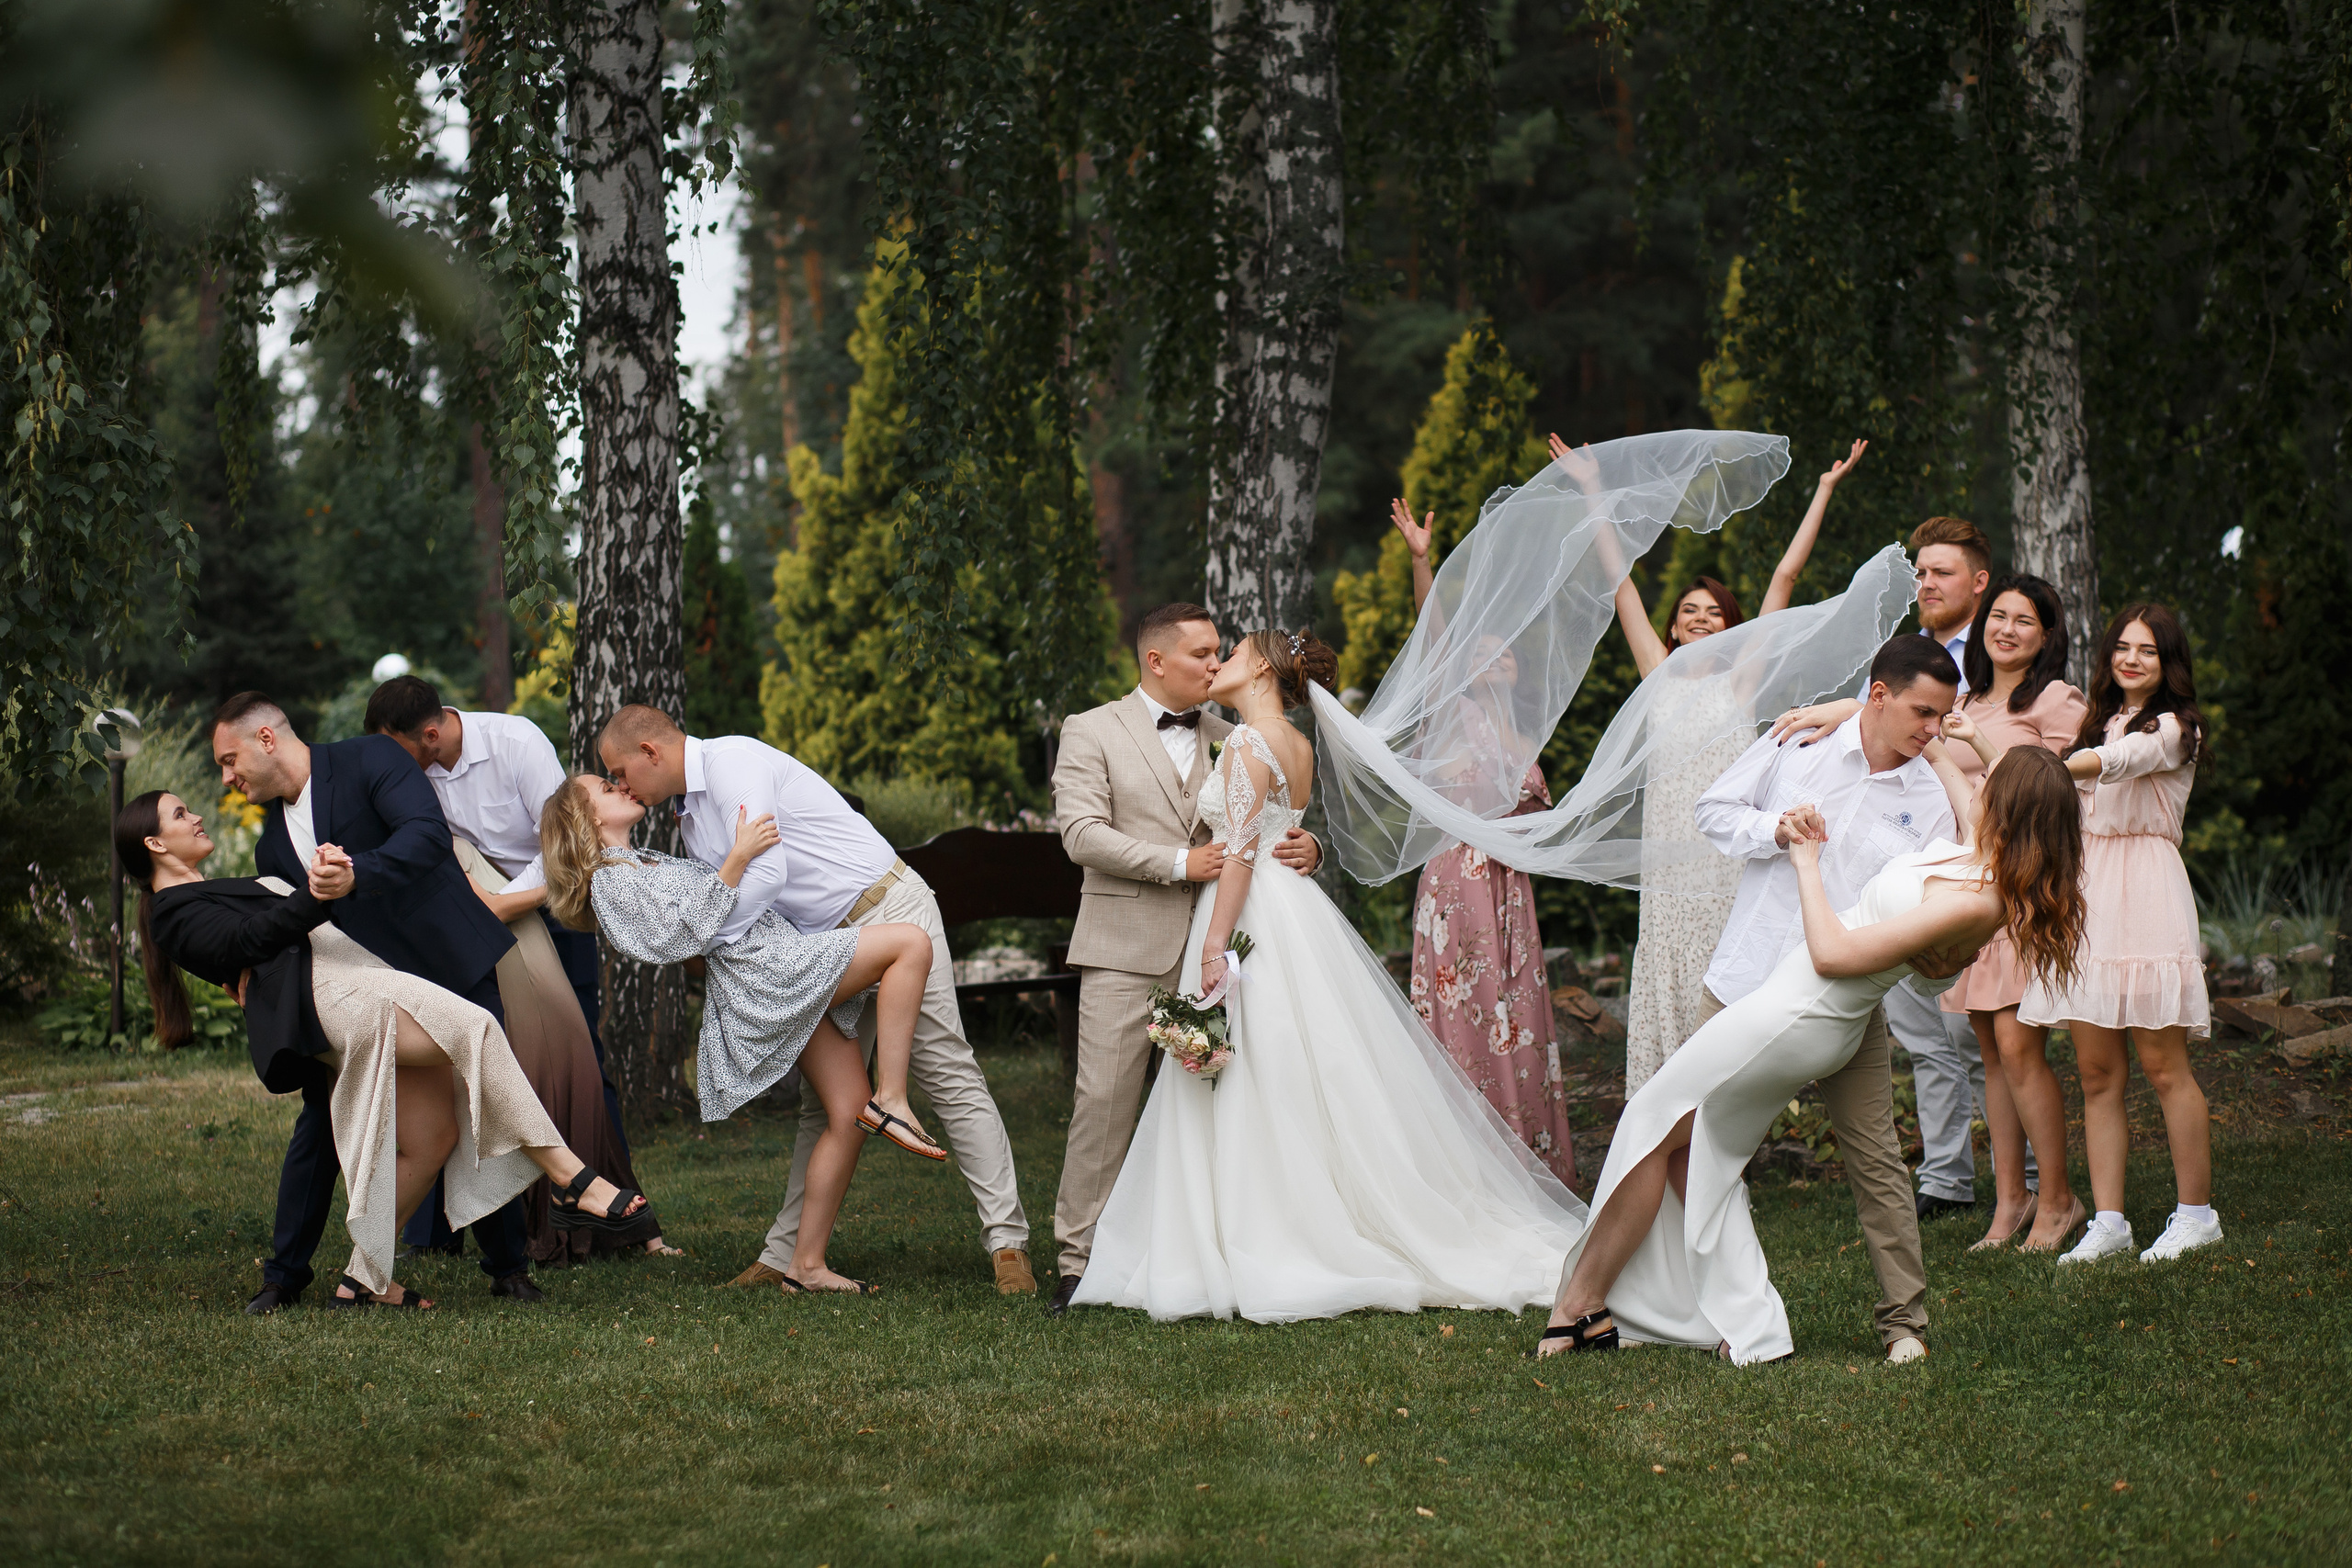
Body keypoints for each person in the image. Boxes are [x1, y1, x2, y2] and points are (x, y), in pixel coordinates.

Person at [1069, 631, 1589, 1323]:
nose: (1219, 661)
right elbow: (1279, 822)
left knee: (1249, 1071)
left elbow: (1245, 853)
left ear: (1260, 666)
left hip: (1245, 911)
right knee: (1293, 1066)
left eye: (1233, 650)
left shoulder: (1250, 744)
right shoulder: (1296, 744)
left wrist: (1216, 944)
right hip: (1292, 915)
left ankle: (1258, 1230)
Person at [1536, 741, 2084, 1364]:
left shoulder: (1977, 901)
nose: (1977, 790)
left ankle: (1581, 1304)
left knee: (1654, 1120)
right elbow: (1955, 775)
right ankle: (1745, 1325)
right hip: (1796, 1003)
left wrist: (1806, 861)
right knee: (1697, 1148)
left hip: (1803, 1013)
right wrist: (1863, 720)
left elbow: (1833, 954)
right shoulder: (1976, 856)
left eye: (1994, 786)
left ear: (2010, 811)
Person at [127, 791, 651, 1309]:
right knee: (478, 1029)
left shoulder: (209, 892)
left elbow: (253, 944)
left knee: (432, 1138)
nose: (195, 816)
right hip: (341, 997)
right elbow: (248, 940)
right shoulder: (171, 911)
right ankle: (571, 1180)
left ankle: (363, 1280)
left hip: (359, 980)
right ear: (154, 843)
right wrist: (317, 892)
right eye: (179, 814)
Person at [591, 707, 1038, 1295]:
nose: (623, 785)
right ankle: (785, 1257)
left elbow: (768, 874)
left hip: (885, 909)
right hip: (819, 947)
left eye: (620, 771)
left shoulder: (733, 765)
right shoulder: (689, 817)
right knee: (823, 1107)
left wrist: (717, 938)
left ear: (651, 751)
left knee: (949, 1074)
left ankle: (1008, 1246)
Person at [1546, 434, 1868, 1096]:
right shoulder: (1656, 674)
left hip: (1726, 853)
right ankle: (1665, 1100)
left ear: (1730, 626)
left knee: (1725, 965)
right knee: (1667, 962)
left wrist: (1825, 491)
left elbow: (1784, 579)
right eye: (1688, 612)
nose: (1698, 619)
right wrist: (1591, 491)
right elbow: (1621, 584)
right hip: (1670, 855)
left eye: (1712, 612)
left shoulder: (1743, 680)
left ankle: (1729, 1100)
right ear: (1672, 627)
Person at [1686, 635, 1973, 1364]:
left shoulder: (1929, 801)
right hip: (1746, 979)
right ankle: (1728, 1314)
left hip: (1844, 999)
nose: (1931, 730)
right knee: (1711, 1149)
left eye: (1941, 717)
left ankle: (1904, 1322)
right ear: (1879, 694)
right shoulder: (1797, 741)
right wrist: (1773, 830)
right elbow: (1712, 808)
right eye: (1922, 712)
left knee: (1876, 1156)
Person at [212, 692, 547, 1309]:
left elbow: (425, 837)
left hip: (446, 961)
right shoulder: (270, 850)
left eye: (229, 760)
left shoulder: (370, 758)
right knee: (320, 1115)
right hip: (364, 996)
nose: (227, 778)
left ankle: (508, 1266)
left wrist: (357, 872)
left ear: (265, 739)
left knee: (481, 1097)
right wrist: (246, 968)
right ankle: (283, 1276)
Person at [539, 774, 936, 1292]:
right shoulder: (611, 882)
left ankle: (807, 1266)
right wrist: (739, 857)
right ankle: (894, 1097)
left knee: (846, 1112)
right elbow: (675, 939)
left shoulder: (642, 862)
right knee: (910, 942)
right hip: (767, 970)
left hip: (774, 960)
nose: (624, 788)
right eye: (608, 789)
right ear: (588, 818)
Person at [1045, 604, 1327, 1314]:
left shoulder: (1237, 735)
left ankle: (1194, 1245)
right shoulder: (1091, 729)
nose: (1212, 662)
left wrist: (1310, 846)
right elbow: (1080, 832)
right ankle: (1079, 1260)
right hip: (1127, 944)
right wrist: (1179, 861)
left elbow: (1266, 822)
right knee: (1104, 1103)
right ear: (1156, 660)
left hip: (1225, 945)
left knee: (1220, 1105)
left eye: (1218, 653)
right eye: (1201, 653)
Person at [362, 676, 670, 1263]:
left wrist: (503, 906)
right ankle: (447, 1227)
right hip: (473, 921)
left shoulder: (515, 741)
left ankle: (618, 1221)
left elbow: (565, 839)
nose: (390, 766)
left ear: (430, 733)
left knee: (579, 1057)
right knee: (476, 1058)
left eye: (397, 749)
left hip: (550, 906)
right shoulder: (413, 776)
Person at [1770, 515, 2000, 1224]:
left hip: (1978, 867)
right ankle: (1946, 1177)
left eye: (1941, 572)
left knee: (1988, 1036)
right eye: (1921, 572)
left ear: (1980, 582)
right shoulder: (1903, 662)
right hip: (1902, 868)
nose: (1926, 584)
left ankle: (2022, 1178)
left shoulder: (2004, 656)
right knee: (1925, 1036)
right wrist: (1846, 709)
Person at [2018, 604, 2221, 1266]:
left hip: (2149, 891)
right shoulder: (2094, 723)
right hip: (2091, 894)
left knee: (2165, 1066)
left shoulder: (2175, 728)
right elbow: (2062, 786)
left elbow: (2123, 759)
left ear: (2169, 663)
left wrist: (2053, 766)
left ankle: (2197, 1215)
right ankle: (2110, 1221)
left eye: (2149, 650)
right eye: (2123, 647)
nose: (2132, 658)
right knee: (2098, 1071)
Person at [1932, 574, 2088, 1252]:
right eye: (1998, 616)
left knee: (2021, 1046)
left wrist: (1980, 747)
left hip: (2027, 885)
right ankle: (2012, 1200)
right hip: (1972, 883)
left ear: (2047, 636)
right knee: (1990, 1049)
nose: (2006, 629)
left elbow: (2046, 791)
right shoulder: (1962, 698)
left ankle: (2058, 1198)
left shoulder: (2057, 699)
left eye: (2024, 621)